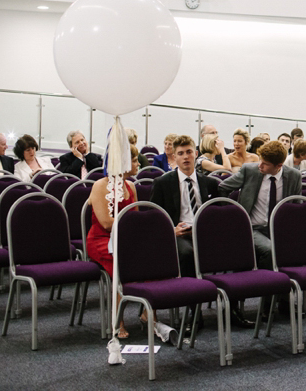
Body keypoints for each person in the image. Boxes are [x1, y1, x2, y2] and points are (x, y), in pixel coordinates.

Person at [219, 141, 301, 271]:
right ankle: (264, 285)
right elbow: (222, 188)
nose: (260, 165)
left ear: (279, 166)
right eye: (260, 161)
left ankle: (282, 287)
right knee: (270, 250)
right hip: (252, 228)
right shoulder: (250, 170)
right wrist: (232, 215)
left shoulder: (293, 176)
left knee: (297, 249)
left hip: (279, 229)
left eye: (265, 164)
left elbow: (297, 208)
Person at [150, 135, 219, 278]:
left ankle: (229, 296)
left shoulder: (210, 183)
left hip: (203, 231)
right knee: (188, 252)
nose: (186, 157)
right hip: (178, 232)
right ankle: (191, 294)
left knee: (233, 246)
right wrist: (171, 230)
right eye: (181, 154)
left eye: (189, 152)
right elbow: (154, 216)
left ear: (196, 154)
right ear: (174, 157)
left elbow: (216, 213)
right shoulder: (162, 183)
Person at [85, 167, 138, 339]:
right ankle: (118, 320)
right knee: (121, 264)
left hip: (126, 236)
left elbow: (136, 218)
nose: (138, 164)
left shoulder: (131, 185)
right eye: (134, 161)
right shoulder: (101, 185)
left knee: (149, 258)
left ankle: (147, 313)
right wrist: (131, 222)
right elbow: (107, 223)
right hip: (102, 239)